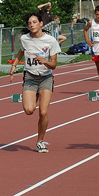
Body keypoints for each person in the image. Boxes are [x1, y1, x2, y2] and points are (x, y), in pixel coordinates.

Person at [9, 12, 61, 153]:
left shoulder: (51, 41)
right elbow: (21, 51)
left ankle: (40, 141)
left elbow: (54, 65)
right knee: (29, 110)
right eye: (29, 23)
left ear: (41, 24)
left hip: (46, 77)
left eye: (34, 22)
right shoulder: (25, 39)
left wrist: (45, 61)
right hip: (30, 77)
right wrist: (14, 65)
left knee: (43, 112)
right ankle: (34, 94)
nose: (32, 25)